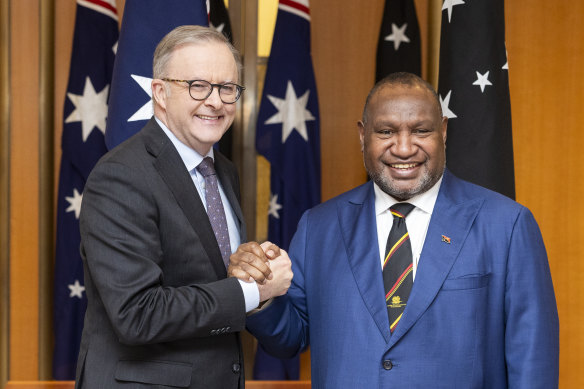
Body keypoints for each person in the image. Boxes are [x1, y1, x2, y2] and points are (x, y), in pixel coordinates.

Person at [238, 72, 559, 388]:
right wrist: (261, 295)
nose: (404, 148)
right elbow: (289, 338)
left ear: (443, 131)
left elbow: (532, 361)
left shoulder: (507, 225)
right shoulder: (318, 227)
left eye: (420, 130)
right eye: (386, 131)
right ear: (363, 136)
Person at [75, 25, 291, 389]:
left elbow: (207, 275)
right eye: (197, 85)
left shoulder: (222, 170)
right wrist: (255, 292)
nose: (215, 101)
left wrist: (254, 269)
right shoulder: (121, 175)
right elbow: (136, 314)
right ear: (160, 92)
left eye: (227, 88)